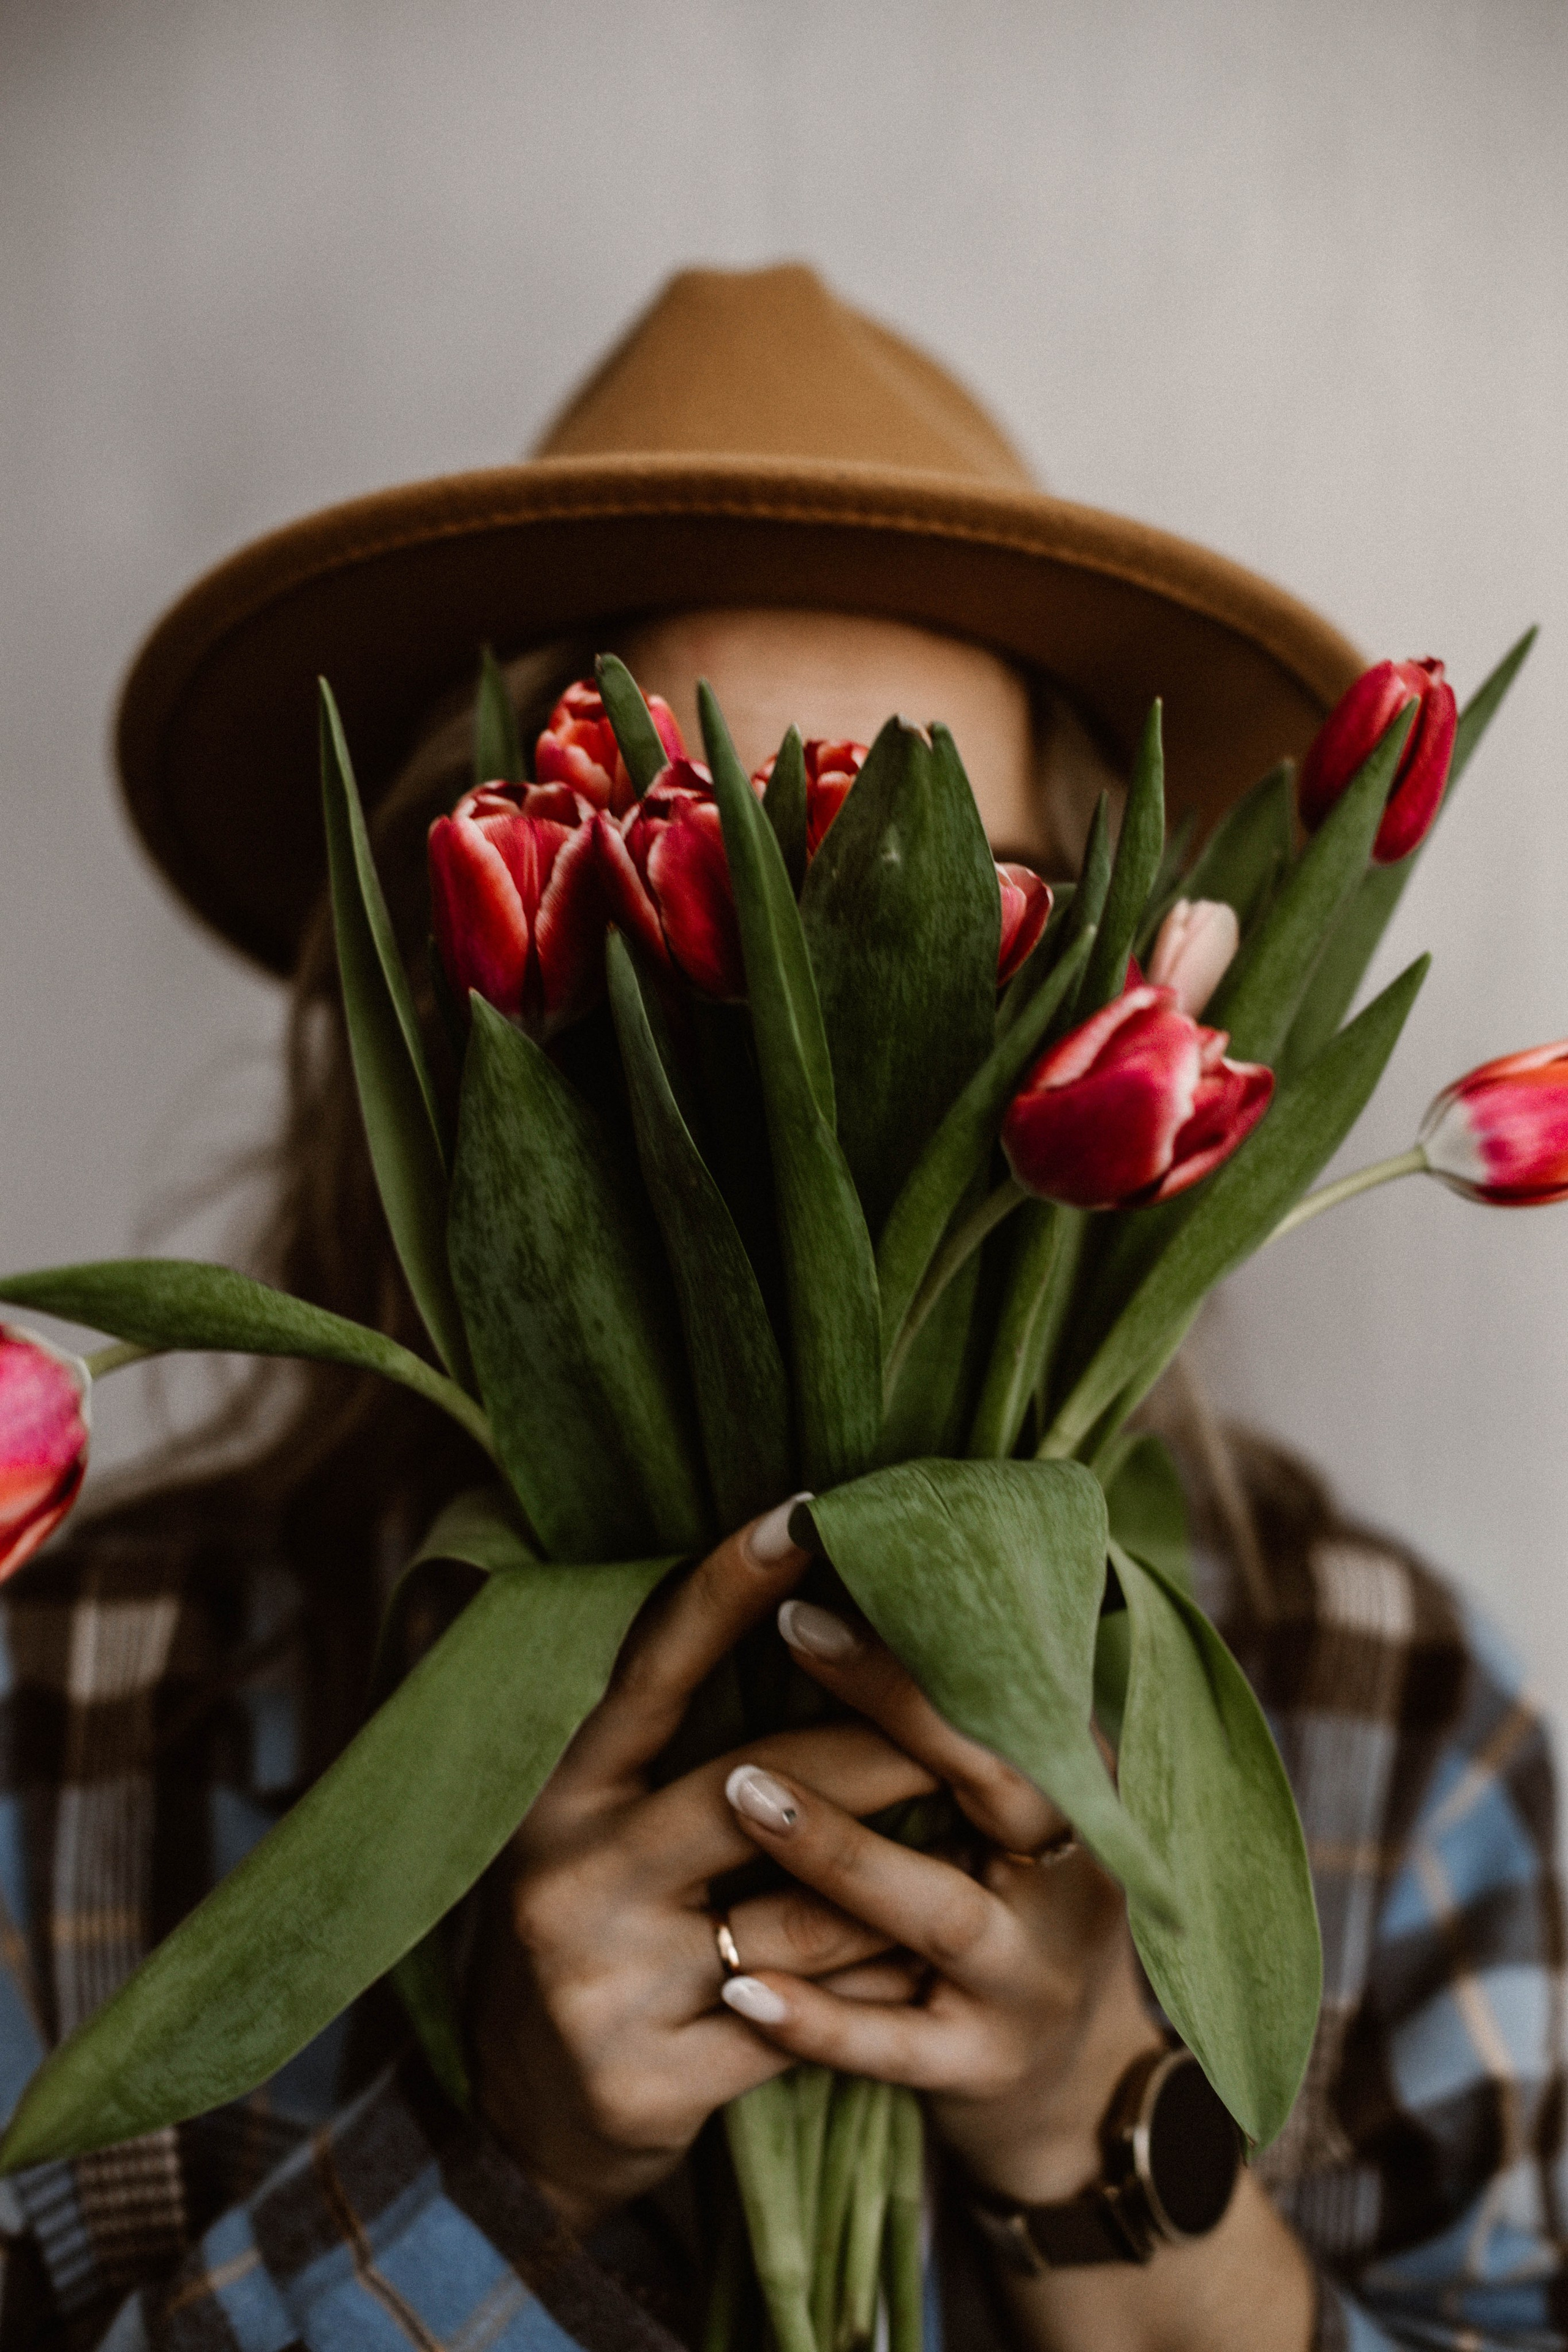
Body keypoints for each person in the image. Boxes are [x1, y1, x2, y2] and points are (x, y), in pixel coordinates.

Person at [0, 265, 1560, 2352]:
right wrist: (507, 2182)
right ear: (467, 966)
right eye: (675, 860)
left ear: (1135, 1001)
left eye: (939, 900)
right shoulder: (75, 1711)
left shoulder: (1384, 1730)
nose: (813, 1058)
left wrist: (1100, 2135)